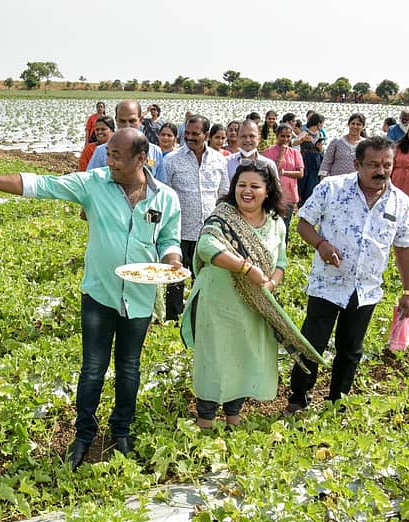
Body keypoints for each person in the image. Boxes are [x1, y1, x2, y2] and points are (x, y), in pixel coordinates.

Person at [0, 128, 182, 470]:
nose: (109, 161)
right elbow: (41, 184)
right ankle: (84, 434)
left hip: (140, 297)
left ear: (141, 158)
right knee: (93, 369)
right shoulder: (94, 184)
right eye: (108, 154)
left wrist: (173, 261)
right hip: (99, 294)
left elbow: (169, 240)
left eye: (117, 156)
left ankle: (121, 431)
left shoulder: (166, 198)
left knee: (129, 368)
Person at [286, 136, 409, 414]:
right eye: (373, 164)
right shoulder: (331, 188)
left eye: (386, 165)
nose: (380, 171)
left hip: (366, 289)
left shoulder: (401, 203)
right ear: (357, 164)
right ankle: (298, 397)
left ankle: (338, 401)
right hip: (327, 283)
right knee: (311, 343)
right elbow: (303, 223)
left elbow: (404, 247)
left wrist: (408, 291)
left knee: (350, 349)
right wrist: (321, 244)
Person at [182, 162, 305, 427]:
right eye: (242, 185)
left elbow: (281, 261)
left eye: (254, 186)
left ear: (267, 191)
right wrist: (246, 269)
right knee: (214, 357)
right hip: (217, 302)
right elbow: (206, 247)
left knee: (242, 355)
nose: (247, 191)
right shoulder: (223, 217)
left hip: (253, 305)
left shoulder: (276, 223)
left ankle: (233, 418)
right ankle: (205, 420)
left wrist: (270, 285)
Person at [162, 115, 229, 322]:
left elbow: (223, 193)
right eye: (187, 133)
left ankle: (201, 317)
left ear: (206, 135)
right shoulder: (171, 160)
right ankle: (173, 319)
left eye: (195, 134)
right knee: (175, 276)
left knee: (206, 277)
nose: (190, 137)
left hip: (208, 233)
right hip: (179, 230)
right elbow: (163, 194)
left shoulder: (219, 160)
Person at [87, 100, 166, 182]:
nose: (127, 126)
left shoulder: (155, 152)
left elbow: (160, 184)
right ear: (116, 121)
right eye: (122, 121)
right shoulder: (101, 152)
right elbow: (89, 182)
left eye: (132, 121)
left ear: (140, 120)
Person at [262, 124, 304, 241]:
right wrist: (280, 154)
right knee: (270, 225)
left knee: (284, 226)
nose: (285, 139)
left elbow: (300, 173)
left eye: (288, 136)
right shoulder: (268, 152)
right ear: (277, 136)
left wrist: (284, 172)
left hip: (289, 195)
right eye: (282, 136)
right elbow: (270, 172)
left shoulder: (295, 153)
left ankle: (283, 250)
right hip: (273, 194)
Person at [320, 113, 366, 178]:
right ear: (348, 124)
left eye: (358, 124)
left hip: (356, 181)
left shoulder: (365, 144)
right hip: (336, 181)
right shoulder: (336, 142)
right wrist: (323, 179)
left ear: (363, 126)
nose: (355, 127)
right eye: (353, 124)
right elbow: (326, 163)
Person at [294, 113, 325, 205]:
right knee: (302, 183)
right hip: (305, 160)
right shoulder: (305, 133)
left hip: (316, 162)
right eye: (322, 123)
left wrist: (320, 148)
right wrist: (303, 140)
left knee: (313, 184)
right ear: (318, 123)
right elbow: (294, 142)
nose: (322, 125)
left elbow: (321, 151)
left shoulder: (319, 134)